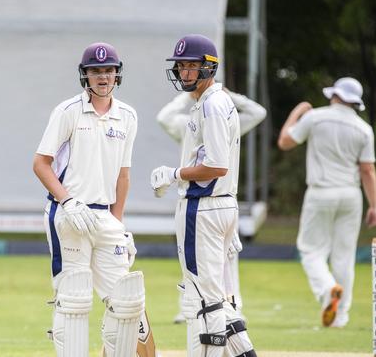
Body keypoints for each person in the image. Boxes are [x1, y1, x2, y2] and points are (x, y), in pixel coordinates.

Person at [33, 42, 145, 357]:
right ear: (85, 75)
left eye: (108, 70)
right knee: (74, 299)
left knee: (125, 301)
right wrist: (68, 201)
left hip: (104, 216)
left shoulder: (128, 116)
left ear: (117, 74)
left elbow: (123, 175)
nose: (102, 77)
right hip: (69, 214)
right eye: (95, 71)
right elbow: (40, 163)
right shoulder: (68, 111)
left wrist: (118, 223)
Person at [151, 34, 257, 357]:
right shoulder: (213, 102)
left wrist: (174, 174)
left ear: (209, 68)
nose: (184, 72)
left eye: (191, 66)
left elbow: (217, 165)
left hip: (204, 209)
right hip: (221, 208)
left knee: (205, 301)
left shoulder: (211, 104)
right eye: (181, 66)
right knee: (219, 301)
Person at [277, 76, 376, 328]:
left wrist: (298, 112)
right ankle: (340, 315)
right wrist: (375, 206)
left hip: (321, 192)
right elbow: (368, 170)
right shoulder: (364, 129)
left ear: (335, 95)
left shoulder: (316, 117)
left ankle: (328, 289)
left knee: (311, 250)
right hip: (351, 195)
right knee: (344, 256)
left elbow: (284, 142)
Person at [157, 88, 267, 324]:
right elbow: (163, 117)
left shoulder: (223, 115)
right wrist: (187, 96)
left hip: (221, 197)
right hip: (200, 199)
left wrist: (230, 95)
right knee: (193, 257)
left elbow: (258, 112)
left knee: (225, 257)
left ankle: (232, 307)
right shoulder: (189, 122)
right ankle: (192, 306)